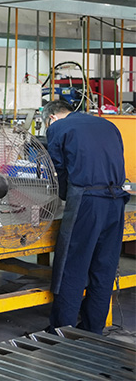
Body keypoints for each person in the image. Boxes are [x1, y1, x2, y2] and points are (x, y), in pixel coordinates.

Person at [43, 100, 129, 333]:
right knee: (103, 268)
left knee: (72, 266)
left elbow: (57, 171)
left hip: (87, 202)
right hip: (116, 201)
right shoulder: (108, 125)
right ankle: (93, 330)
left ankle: (62, 330)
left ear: (51, 118)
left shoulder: (58, 128)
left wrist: (63, 196)